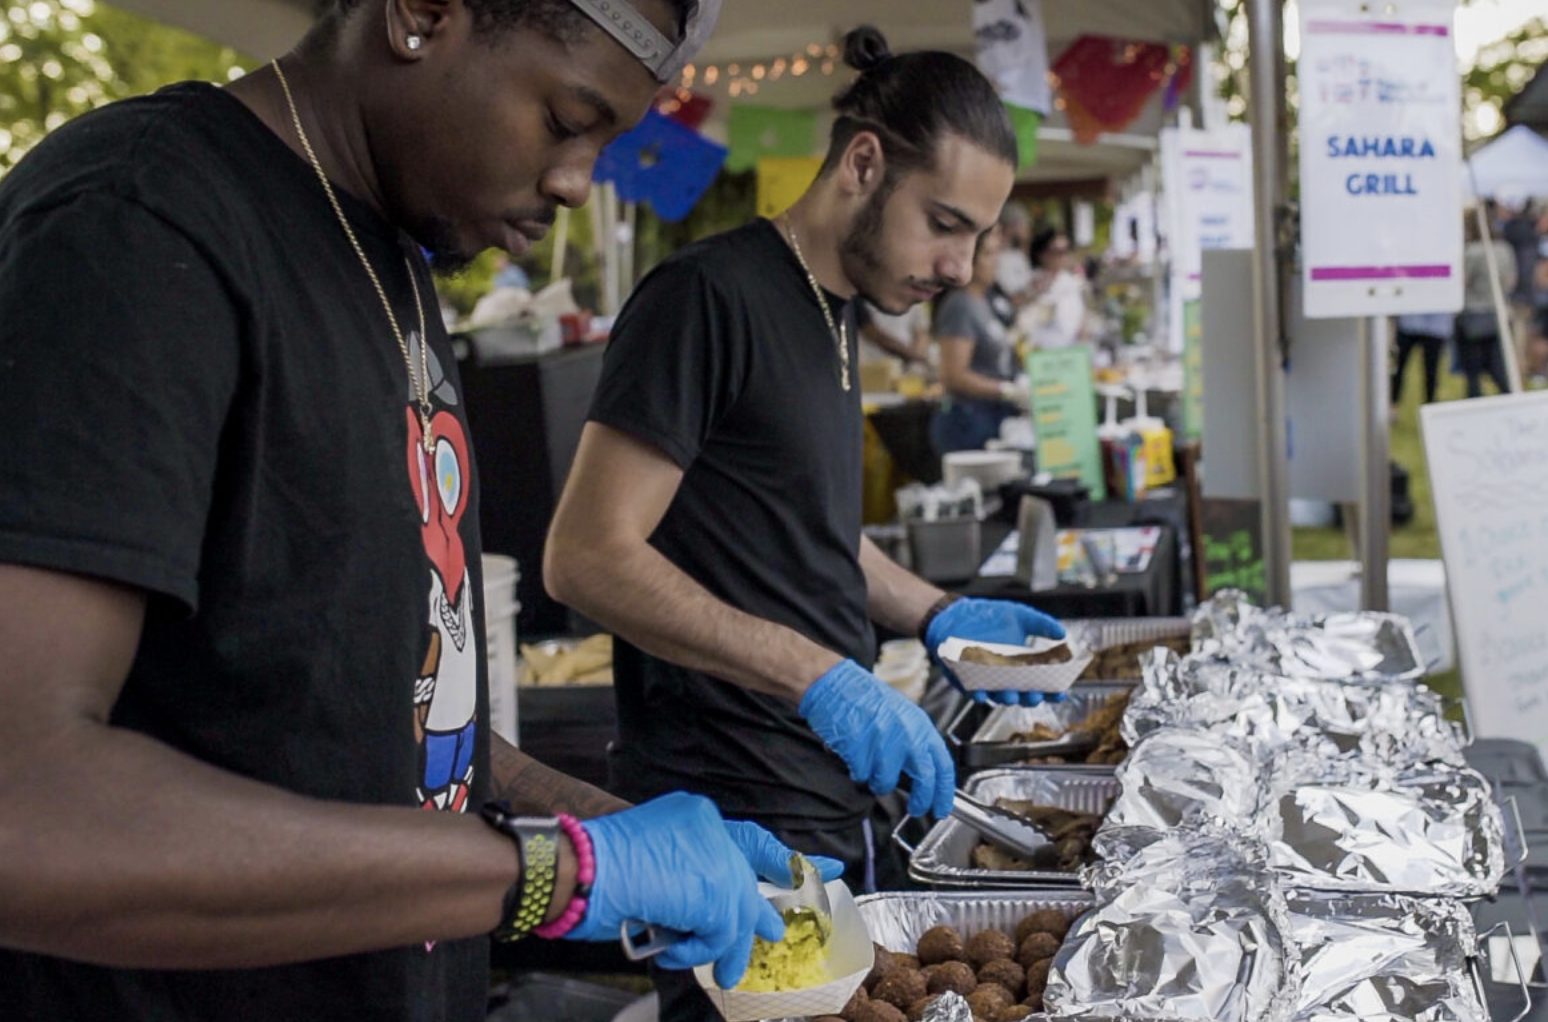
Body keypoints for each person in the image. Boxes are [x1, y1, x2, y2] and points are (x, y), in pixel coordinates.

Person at [0, 2, 833, 1020]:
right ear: (422, 14)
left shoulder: (393, 244)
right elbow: (26, 806)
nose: (580, 181)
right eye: (568, 121)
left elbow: (375, 726)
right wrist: (550, 870)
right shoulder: (136, 221)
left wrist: (600, 822)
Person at [543, 25, 1066, 1022]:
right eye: (944, 224)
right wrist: (817, 673)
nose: (959, 266)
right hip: (732, 821)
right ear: (864, 163)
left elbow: (807, 527)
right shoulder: (705, 297)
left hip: (829, 797)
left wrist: (935, 610)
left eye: (978, 239)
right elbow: (584, 556)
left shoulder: (837, 308)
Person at [931, 225, 1027, 454]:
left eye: (997, 253)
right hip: (968, 420)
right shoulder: (960, 305)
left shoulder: (987, 301)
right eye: (988, 254)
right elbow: (953, 376)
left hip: (992, 415)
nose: (996, 261)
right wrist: (1006, 390)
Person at [1457, 212, 1517, 398]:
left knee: (1473, 370)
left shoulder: (1472, 252)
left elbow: (1463, 282)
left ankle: (1475, 402)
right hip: (1499, 314)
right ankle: (1509, 399)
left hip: (1473, 314)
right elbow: (1511, 281)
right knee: (1498, 366)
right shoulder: (1504, 249)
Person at [1021, 226, 1086, 348]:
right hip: (1041, 351)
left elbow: (1079, 317)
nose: (1062, 256)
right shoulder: (1032, 280)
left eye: (1066, 250)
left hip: (1070, 351)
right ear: (1042, 254)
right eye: (1057, 251)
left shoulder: (1069, 281)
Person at [1390, 312, 1451, 407]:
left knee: (1431, 370)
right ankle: (1392, 404)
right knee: (1397, 367)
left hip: (1435, 326)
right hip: (1408, 323)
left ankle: (1430, 406)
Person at [856, 298, 932, 366]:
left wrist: (918, 357)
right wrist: (915, 356)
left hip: (908, 369)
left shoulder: (915, 302)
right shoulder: (863, 300)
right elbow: (873, 334)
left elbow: (921, 333)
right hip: (872, 366)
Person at [995, 200, 1035, 301]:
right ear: (1012, 227)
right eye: (1025, 224)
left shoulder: (1018, 254)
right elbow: (1009, 299)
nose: (1028, 229)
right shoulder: (994, 257)